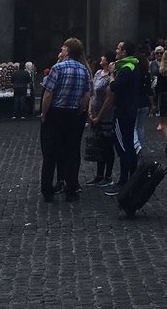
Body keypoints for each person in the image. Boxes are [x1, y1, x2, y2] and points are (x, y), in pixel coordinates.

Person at [39, 37, 91, 203]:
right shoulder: (83, 70)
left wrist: (44, 114)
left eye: (62, 48)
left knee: (50, 154)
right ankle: (71, 190)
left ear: (68, 51)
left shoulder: (58, 68)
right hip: (73, 115)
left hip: (56, 113)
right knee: (72, 153)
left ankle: (47, 191)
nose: (60, 50)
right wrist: (79, 110)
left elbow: (48, 94)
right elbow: (86, 95)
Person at [94, 41, 142, 196]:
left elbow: (114, 86)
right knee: (129, 146)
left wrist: (112, 74)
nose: (116, 51)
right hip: (130, 110)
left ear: (124, 51)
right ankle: (132, 179)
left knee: (123, 147)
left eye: (118, 48)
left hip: (122, 112)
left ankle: (124, 182)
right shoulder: (133, 65)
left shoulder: (126, 68)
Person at [89, 52, 116, 187]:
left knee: (107, 146)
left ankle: (108, 175)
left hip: (106, 115)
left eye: (103, 57)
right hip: (95, 113)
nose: (101, 58)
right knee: (98, 145)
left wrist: (99, 116)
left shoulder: (111, 76)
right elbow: (92, 93)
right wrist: (90, 110)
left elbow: (109, 99)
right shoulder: (98, 73)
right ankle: (99, 175)